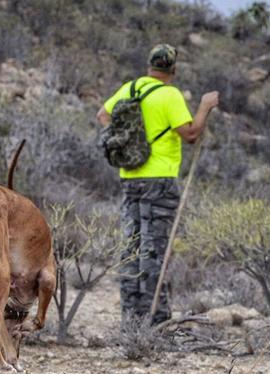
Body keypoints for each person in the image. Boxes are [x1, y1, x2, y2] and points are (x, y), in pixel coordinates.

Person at [97, 43, 219, 326]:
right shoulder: (169, 95)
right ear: (173, 70)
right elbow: (190, 134)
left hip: (130, 177)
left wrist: (124, 141)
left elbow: (102, 115)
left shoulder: (130, 89)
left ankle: (131, 319)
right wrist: (204, 107)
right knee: (155, 250)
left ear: (149, 66)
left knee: (131, 246)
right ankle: (156, 320)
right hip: (160, 180)